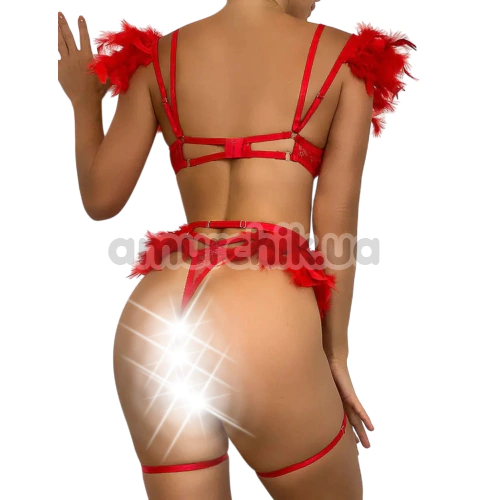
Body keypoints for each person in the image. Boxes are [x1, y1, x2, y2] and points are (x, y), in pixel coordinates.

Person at [57, 1, 415, 498]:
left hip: (157, 318)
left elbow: (101, 199)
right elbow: (335, 223)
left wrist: (83, 103)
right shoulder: (345, 59)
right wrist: (336, 353)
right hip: (264, 314)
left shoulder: (156, 59)